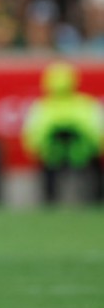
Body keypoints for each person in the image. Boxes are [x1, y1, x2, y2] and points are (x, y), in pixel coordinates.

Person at [22, 62, 104, 204]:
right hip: (57, 156)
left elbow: (32, 137)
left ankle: (92, 199)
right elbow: (98, 133)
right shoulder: (85, 105)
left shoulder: (42, 107)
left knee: (93, 169)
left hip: (78, 155)